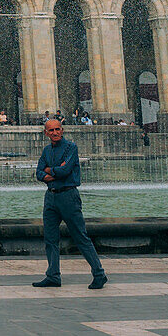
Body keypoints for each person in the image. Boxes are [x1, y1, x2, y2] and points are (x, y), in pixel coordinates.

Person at [32, 118, 106, 290]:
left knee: (80, 236)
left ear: (62, 130)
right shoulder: (46, 150)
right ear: (46, 133)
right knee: (50, 239)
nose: (55, 132)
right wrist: (54, 171)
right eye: (51, 130)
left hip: (68, 196)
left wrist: (50, 170)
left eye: (57, 129)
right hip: (51, 197)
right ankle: (53, 276)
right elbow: (38, 173)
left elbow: (65, 171)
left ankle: (99, 274)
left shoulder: (71, 147)